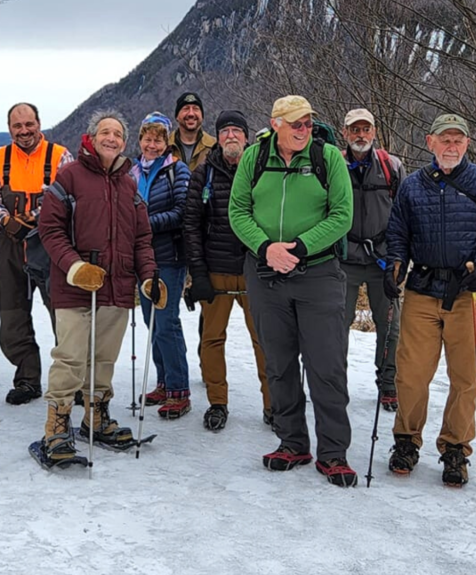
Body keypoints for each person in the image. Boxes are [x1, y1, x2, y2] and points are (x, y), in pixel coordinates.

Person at [228, 95, 358, 487]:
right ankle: (292, 442)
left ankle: (333, 452)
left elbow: (342, 215)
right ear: (275, 124)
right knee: (279, 364)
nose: (303, 130)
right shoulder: (254, 157)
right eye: (295, 123)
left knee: (326, 366)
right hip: (266, 275)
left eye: (307, 123)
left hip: (317, 274)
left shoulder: (328, 157)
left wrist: (300, 248)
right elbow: (238, 211)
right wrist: (266, 248)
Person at [384, 113, 476, 487]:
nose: (451, 146)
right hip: (422, 290)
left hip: (470, 293)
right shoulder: (412, 186)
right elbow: (398, 233)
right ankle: (406, 441)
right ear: (430, 142)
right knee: (410, 374)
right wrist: (395, 267)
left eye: (458, 140)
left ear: (467, 144)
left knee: (466, 377)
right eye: (445, 139)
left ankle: (456, 448)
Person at [37, 111, 161, 461]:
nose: (112, 138)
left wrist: (149, 276)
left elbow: (142, 238)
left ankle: (96, 416)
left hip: (117, 287)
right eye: (105, 132)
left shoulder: (129, 184)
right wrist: (74, 267)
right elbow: (50, 229)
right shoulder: (70, 176)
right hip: (76, 287)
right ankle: (57, 425)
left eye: (118, 134)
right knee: (71, 358)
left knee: (104, 359)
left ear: (124, 142)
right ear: (91, 138)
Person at [183, 110, 272, 431]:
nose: (231, 136)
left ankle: (272, 404)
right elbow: (191, 225)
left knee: (265, 341)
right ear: (217, 138)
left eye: (237, 130)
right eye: (225, 131)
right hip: (216, 270)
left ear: (247, 137)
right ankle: (217, 402)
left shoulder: (262, 170)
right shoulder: (203, 173)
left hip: (255, 271)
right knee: (211, 339)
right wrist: (199, 273)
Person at [0, 102, 72, 405]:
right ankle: (27, 378)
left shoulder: (60, 156)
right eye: (17, 126)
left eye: (29, 124)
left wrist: (38, 216)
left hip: (50, 246)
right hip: (10, 245)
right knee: (12, 317)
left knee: (65, 316)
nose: (24, 131)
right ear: (9, 129)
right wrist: (4, 220)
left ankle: (73, 380)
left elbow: (70, 195)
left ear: (39, 123)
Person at [340, 108, 406, 412]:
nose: (360, 135)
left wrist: (400, 258)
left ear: (374, 132)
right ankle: (334, 382)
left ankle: (388, 384)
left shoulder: (392, 167)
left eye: (365, 129)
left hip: (383, 258)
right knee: (335, 325)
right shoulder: (334, 165)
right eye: (355, 130)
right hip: (345, 258)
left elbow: (406, 216)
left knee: (390, 326)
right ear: (345, 133)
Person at [130, 112, 192, 419]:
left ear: (166, 143)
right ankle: (164, 382)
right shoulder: (130, 171)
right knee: (151, 322)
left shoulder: (176, 170)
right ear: (140, 139)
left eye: (158, 139)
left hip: (168, 256)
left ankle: (179, 390)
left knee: (166, 322)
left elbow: (182, 212)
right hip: (141, 258)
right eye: (147, 138)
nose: (152, 145)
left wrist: (144, 225)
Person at [168, 92, 215, 170]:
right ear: (177, 116)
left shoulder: (214, 147)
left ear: (202, 116)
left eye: (195, 109)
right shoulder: (165, 147)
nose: (191, 114)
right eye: (186, 108)